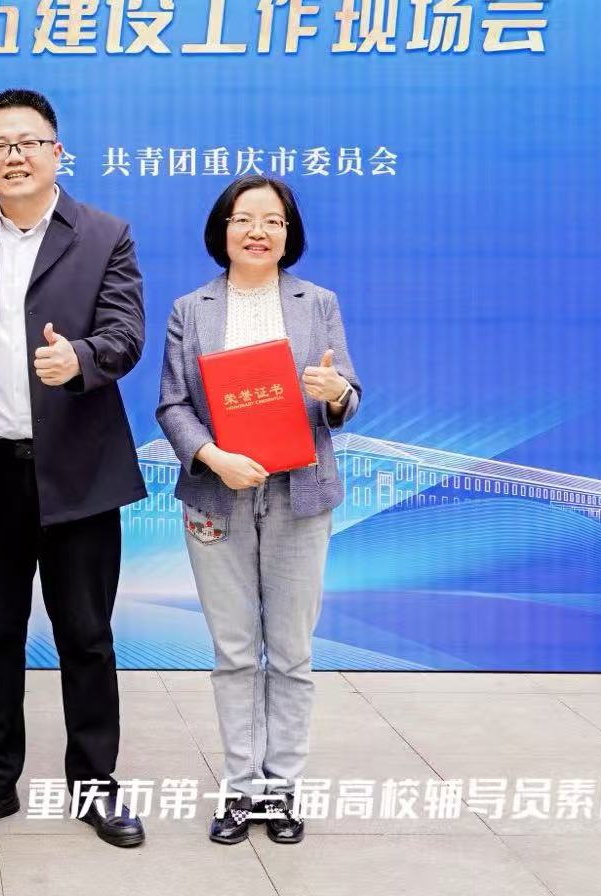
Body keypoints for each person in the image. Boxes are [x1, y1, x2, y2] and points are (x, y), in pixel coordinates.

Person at [0, 89, 147, 848]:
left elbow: (126, 334)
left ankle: (94, 785)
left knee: (86, 635)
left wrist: (79, 358)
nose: (15, 155)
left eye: (29, 141)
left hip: (78, 474)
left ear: (58, 152)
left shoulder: (105, 235)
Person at [155, 175, 361, 846]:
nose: (258, 231)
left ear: (288, 233)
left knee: (293, 653)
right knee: (236, 652)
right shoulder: (191, 309)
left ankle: (282, 790)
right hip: (219, 494)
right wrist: (214, 457)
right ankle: (241, 790)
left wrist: (335, 392)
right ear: (223, 230)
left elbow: (349, 395)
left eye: (273, 221)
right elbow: (172, 405)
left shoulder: (318, 303)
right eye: (244, 219)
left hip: (299, 495)